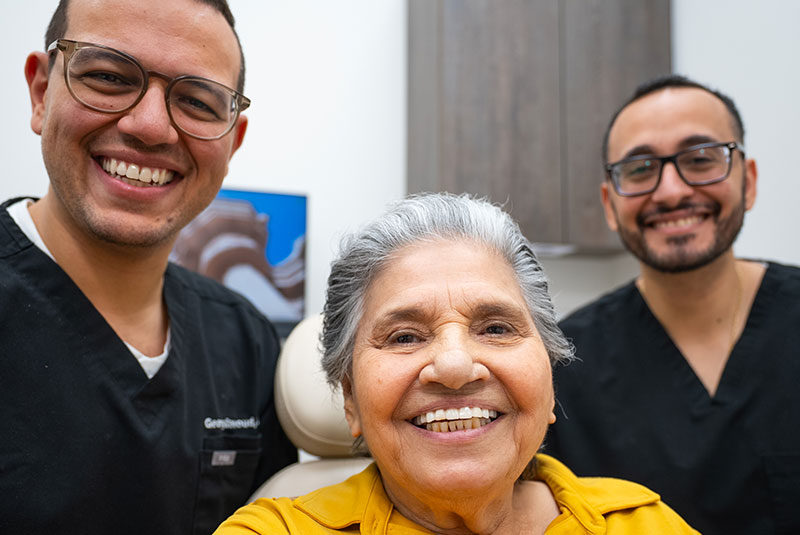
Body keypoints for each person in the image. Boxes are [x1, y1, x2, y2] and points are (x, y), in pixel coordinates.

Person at [214, 192, 699, 534]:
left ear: (549, 380)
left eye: (496, 328)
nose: (453, 365)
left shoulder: (643, 523)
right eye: (404, 336)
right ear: (350, 400)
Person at [0, 1, 296, 533]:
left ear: (232, 142)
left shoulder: (245, 342)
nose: (151, 127)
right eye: (109, 76)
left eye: (198, 102)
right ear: (42, 91)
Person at [544, 74, 800, 535]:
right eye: (640, 168)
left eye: (700, 159)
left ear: (750, 181)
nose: (670, 191)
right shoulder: (562, 368)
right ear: (609, 203)